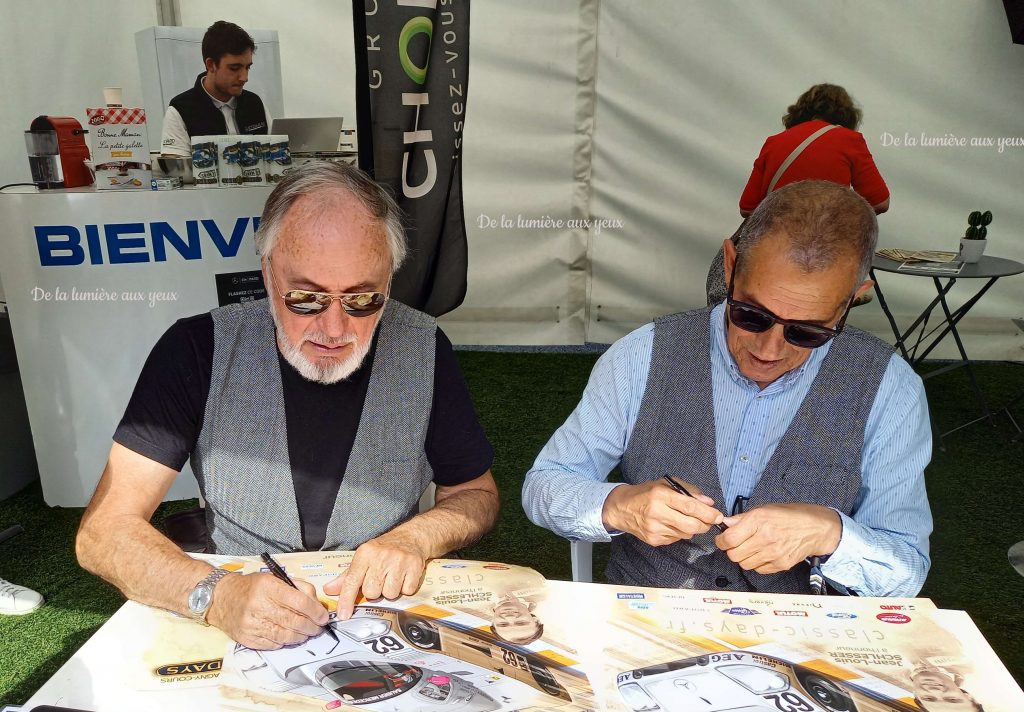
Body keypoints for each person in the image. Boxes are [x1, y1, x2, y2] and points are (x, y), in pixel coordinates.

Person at [76, 161, 499, 649]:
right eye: (305, 298)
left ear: (389, 280)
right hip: (235, 604)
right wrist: (217, 596)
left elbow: (477, 495)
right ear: (267, 272)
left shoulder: (423, 347)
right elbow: (103, 533)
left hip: (376, 613)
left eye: (363, 300)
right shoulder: (197, 348)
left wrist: (416, 538)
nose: (335, 330)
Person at [523, 180, 931, 597]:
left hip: (800, 635)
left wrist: (831, 535)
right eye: (751, 315)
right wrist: (618, 505)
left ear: (852, 301)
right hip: (648, 618)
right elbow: (545, 485)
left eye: (807, 331)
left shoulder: (888, 389)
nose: (769, 349)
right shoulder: (642, 355)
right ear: (731, 266)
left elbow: (906, 570)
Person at [707, 83, 890, 305]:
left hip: (776, 250)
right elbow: (881, 202)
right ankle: (841, 295)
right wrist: (837, 216)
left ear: (801, 110)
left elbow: (747, 207)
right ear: (846, 114)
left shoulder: (774, 142)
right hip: (824, 252)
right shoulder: (850, 140)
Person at [159, 21, 270, 157]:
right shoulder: (180, 110)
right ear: (211, 65)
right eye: (234, 68)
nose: (244, 77)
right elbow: (176, 172)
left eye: (248, 67)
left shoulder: (255, 104)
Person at [909, 659, 985, 712]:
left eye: (928, 698)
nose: (935, 691)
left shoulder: (900, 675)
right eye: (952, 699)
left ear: (916, 695)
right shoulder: (964, 660)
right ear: (969, 697)